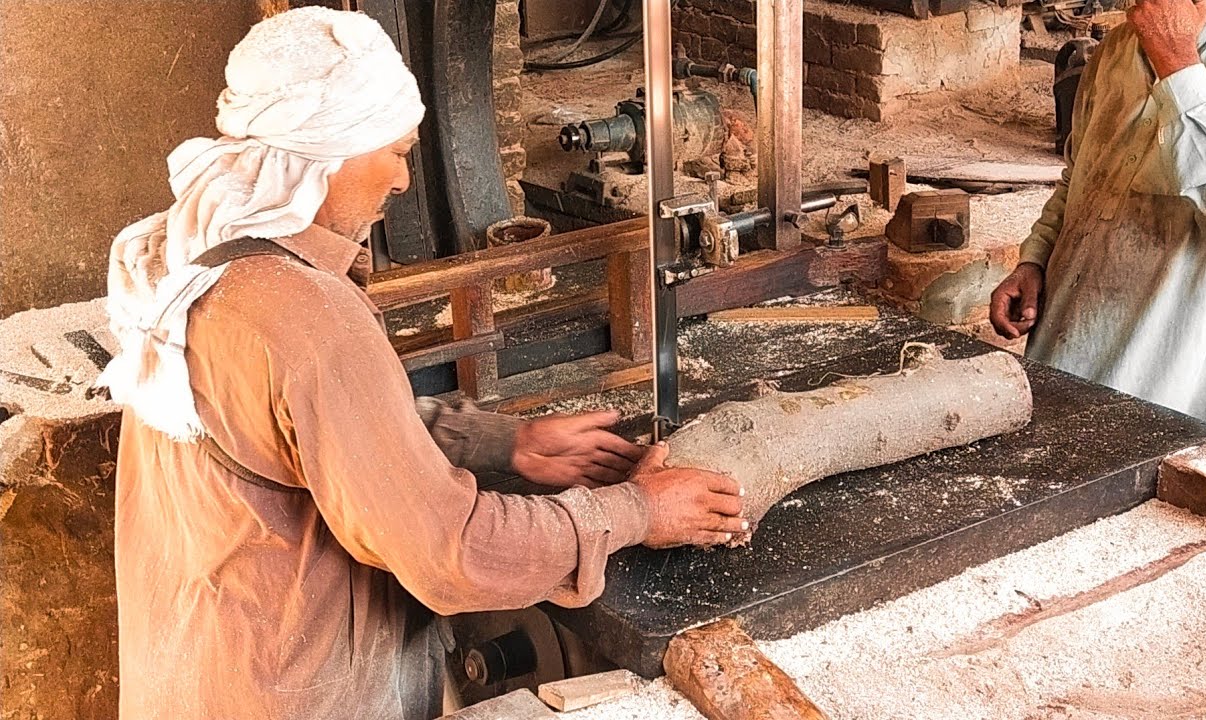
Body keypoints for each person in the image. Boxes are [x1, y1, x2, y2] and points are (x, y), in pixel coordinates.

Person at [99, 8, 743, 719]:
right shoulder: (304, 316)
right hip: (287, 694)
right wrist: (636, 510)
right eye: (397, 152)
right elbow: (452, 551)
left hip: (199, 675)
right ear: (330, 150)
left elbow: (319, 432)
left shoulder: (200, 255)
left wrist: (508, 442)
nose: (403, 181)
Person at [990, 0, 1206, 452]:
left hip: (1184, 385)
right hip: (1073, 347)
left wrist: (1177, 60)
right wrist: (1036, 260)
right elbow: (1080, 177)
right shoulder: (1116, 48)